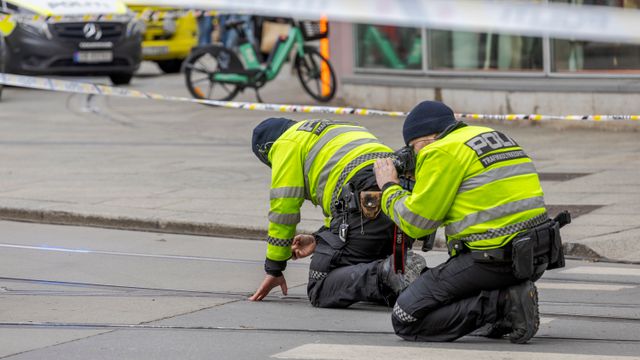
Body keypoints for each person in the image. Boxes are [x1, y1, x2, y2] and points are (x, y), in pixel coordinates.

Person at [373, 101, 567, 343]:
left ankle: (505, 304)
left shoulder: (440, 150)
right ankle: (502, 307)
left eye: (413, 149)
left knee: (405, 317)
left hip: (496, 260)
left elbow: (417, 223)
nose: (414, 156)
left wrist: (389, 186)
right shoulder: (491, 135)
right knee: (447, 286)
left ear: (424, 141)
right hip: (536, 253)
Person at [248, 117, 426, 308]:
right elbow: (339, 213)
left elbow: (283, 209)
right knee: (368, 274)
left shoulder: (286, 143)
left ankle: (390, 270)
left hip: (364, 197)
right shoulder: (334, 129)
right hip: (397, 194)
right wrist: (318, 240)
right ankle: (428, 283)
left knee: (322, 286)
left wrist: (274, 267)